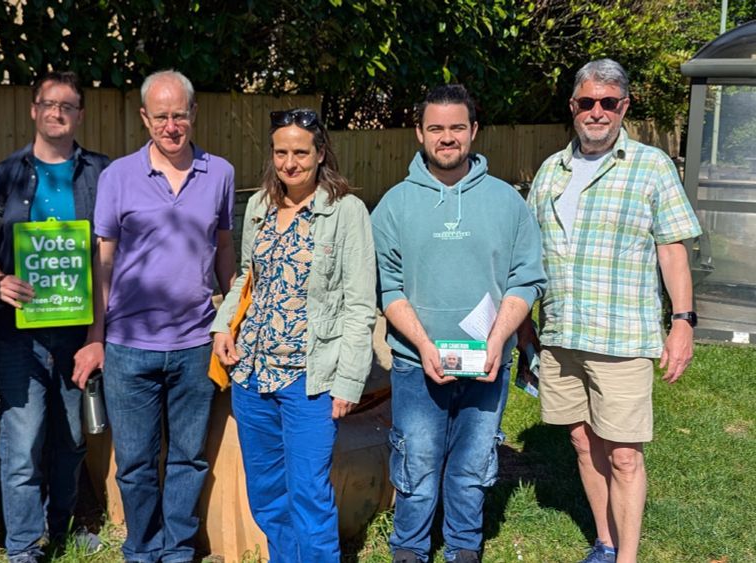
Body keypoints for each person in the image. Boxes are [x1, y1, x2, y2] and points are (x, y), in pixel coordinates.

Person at [521, 59, 702, 563]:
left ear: (624, 106)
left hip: (622, 337)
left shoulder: (651, 166)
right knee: (581, 442)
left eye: (607, 102)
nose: (596, 111)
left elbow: (672, 250)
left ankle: (628, 557)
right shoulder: (551, 170)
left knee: (623, 454)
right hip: (559, 334)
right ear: (573, 107)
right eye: (586, 102)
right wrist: (523, 326)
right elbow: (530, 251)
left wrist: (683, 322)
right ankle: (604, 541)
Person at [371, 84, 545, 563]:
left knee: (474, 461)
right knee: (417, 462)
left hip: (488, 361)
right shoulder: (393, 206)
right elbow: (388, 289)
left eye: (456, 127)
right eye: (435, 128)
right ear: (419, 133)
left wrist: (497, 341)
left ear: (473, 130)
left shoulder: (507, 201)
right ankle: (409, 548)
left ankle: (465, 546)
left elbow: (525, 280)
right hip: (415, 362)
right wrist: (424, 346)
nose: (446, 138)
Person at [72, 69, 236, 563]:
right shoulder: (118, 176)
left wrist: (229, 319)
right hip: (129, 347)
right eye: (160, 116)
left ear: (193, 114)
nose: (171, 126)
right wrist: (96, 335)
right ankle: (142, 549)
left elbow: (224, 248)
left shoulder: (220, 173)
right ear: (145, 117)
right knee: (136, 463)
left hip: (194, 344)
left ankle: (179, 548)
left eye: (179, 115)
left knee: (189, 458)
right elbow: (103, 259)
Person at [211, 108, 376, 561]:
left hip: (309, 379)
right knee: (267, 497)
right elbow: (246, 278)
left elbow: (361, 305)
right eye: (280, 152)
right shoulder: (261, 206)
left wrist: (348, 381)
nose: (289, 163)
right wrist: (223, 325)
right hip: (251, 376)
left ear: (321, 153)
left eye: (300, 152)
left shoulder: (347, 212)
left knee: (309, 496)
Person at [0, 71, 109, 563]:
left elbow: (114, 254)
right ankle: (24, 546)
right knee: (23, 441)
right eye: (48, 104)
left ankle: (65, 524)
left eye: (67, 105)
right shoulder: (2, 178)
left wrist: (100, 332)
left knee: (73, 437)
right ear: (34, 109)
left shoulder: (102, 174)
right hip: (18, 336)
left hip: (78, 332)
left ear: (79, 115)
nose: (57, 112)